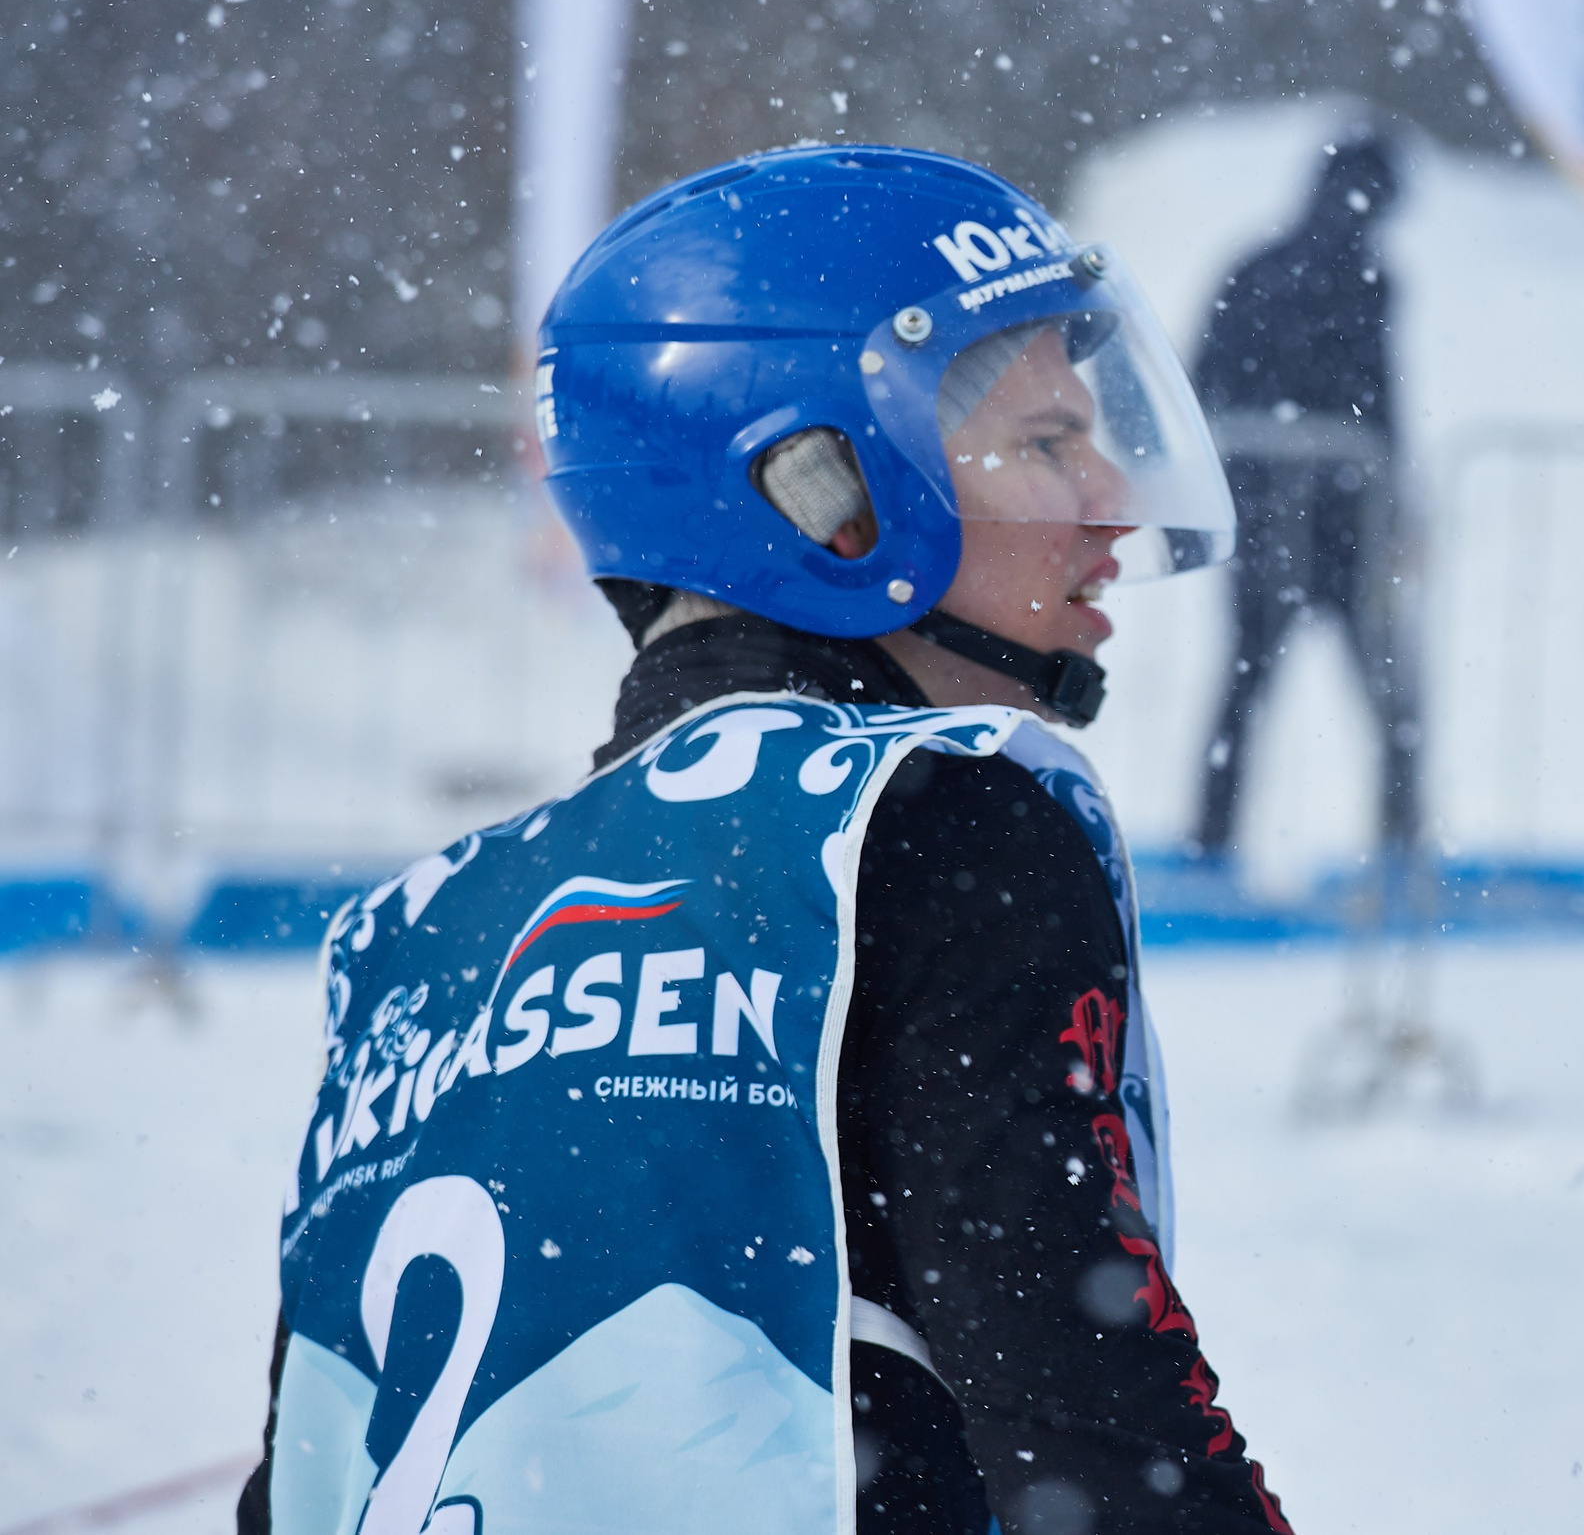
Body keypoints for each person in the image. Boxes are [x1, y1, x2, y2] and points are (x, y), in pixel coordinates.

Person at [237, 147, 1291, 1535]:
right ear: (822, 491)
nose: (1114, 500)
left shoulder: (423, 924)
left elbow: (299, 1480)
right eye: (1048, 442)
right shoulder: (935, 823)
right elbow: (1096, 1426)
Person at [1191, 131, 1417, 871]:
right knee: (1382, 694)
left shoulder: (1262, 267)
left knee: (1249, 689)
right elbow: (1380, 409)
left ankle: (1214, 844)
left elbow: (1203, 387)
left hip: (1288, 517)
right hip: (1329, 515)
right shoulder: (1353, 277)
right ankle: (1397, 849)